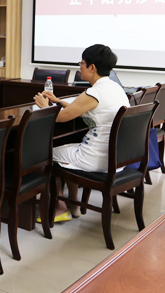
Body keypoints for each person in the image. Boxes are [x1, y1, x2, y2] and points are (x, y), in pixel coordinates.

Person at [34, 44, 130, 222]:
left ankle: (60, 208)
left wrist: (45, 106)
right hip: (115, 158)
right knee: (67, 150)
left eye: (82, 63)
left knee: (46, 155)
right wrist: (58, 101)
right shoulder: (115, 88)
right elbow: (80, 109)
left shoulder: (94, 92)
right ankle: (74, 204)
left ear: (92, 67)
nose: (80, 67)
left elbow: (60, 118)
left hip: (96, 159)